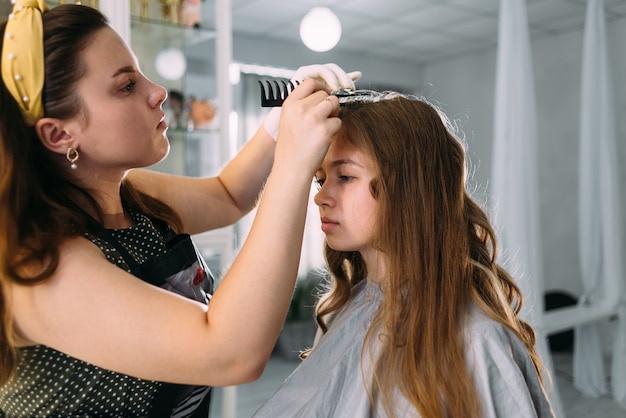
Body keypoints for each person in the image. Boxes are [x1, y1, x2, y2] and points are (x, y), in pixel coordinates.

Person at [0, 2, 361, 417]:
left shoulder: (129, 195)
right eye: (125, 86)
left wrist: (277, 124)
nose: (158, 92)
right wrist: (295, 163)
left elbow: (228, 196)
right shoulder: (39, 269)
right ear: (59, 134)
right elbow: (230, 351)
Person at [253, 91, 556, 418]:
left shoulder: (475, 338)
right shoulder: (352, 307)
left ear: (407, 186)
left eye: (345, 176)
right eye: (321, 179)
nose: (321, 197)